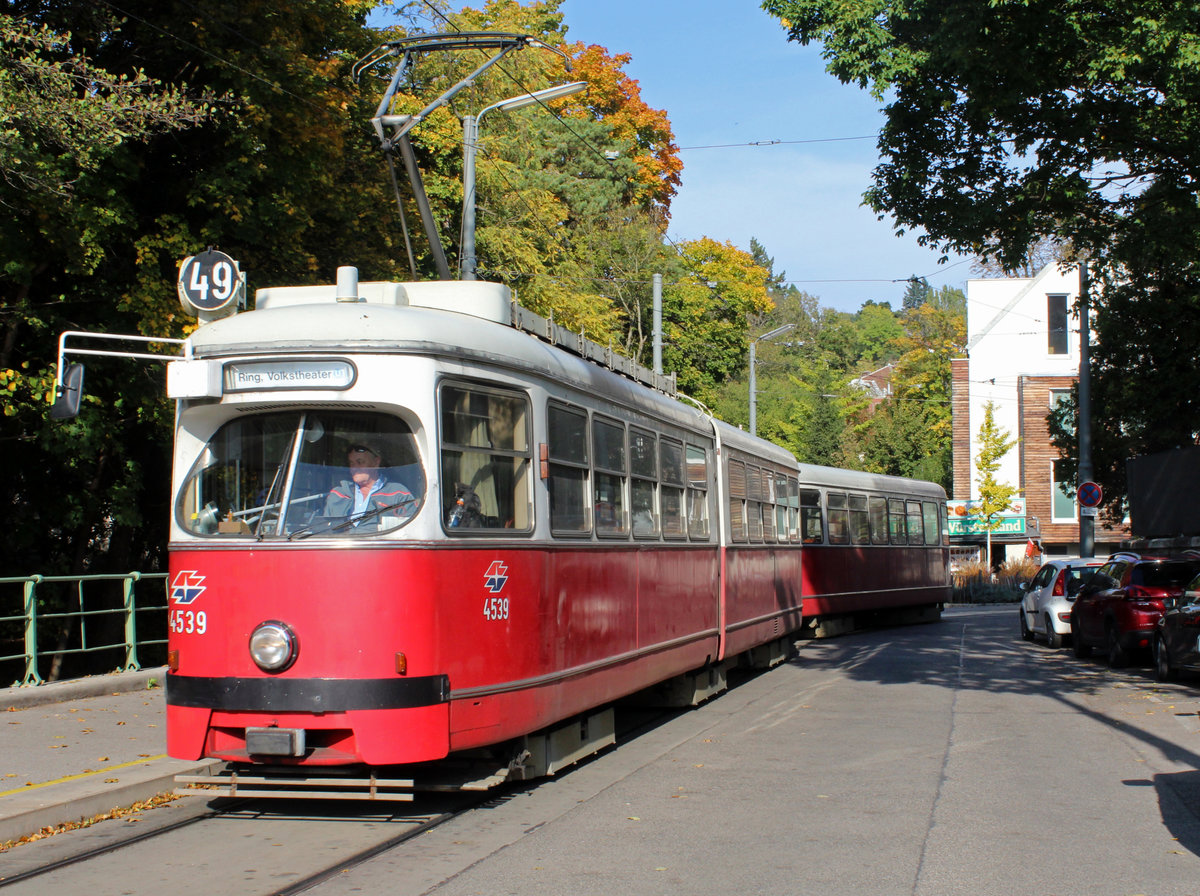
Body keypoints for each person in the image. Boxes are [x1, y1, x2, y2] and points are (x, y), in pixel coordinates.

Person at [324, 442, 416, 526]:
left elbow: (411, 531)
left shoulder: (399, 494)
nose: (355, 467)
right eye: (351, 463)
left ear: (376, 462)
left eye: (360, 462)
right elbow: (325, 530)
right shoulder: (337, 494)